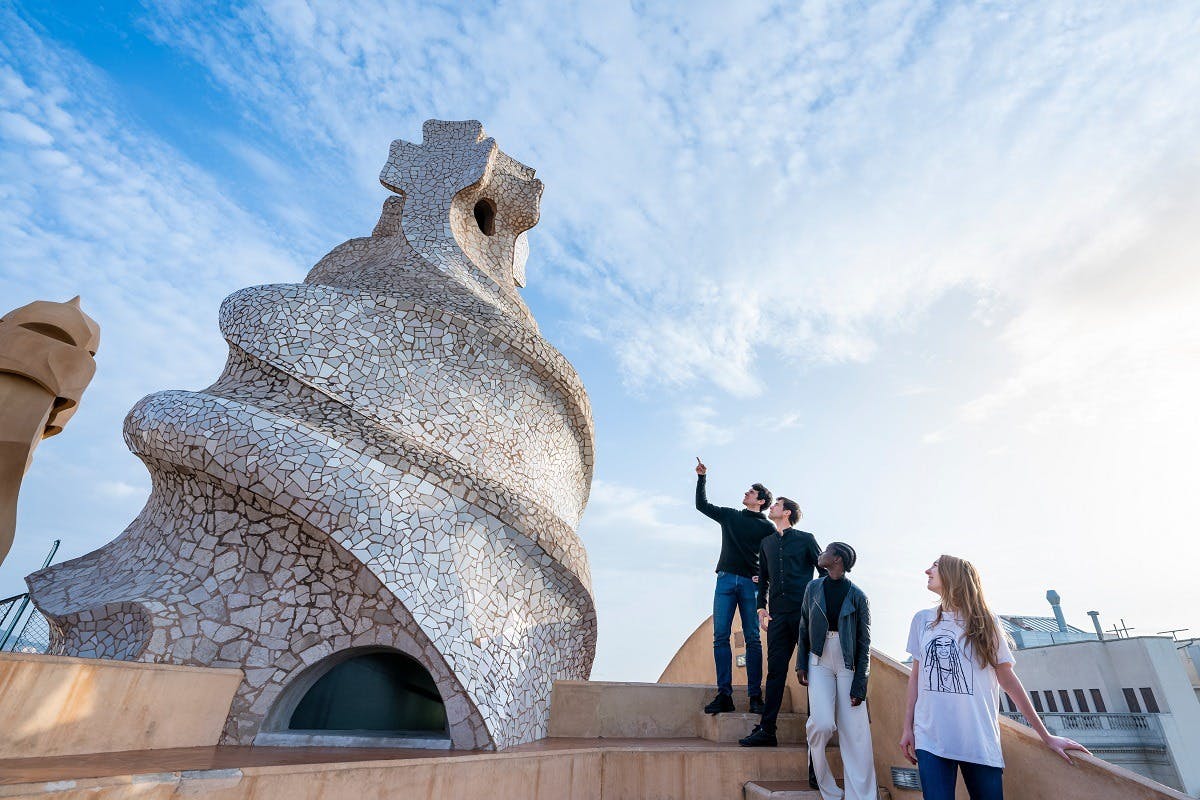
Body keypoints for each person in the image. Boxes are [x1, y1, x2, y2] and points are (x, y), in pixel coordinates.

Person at [900, 555, 1091, 800]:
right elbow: (916, 677)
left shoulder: (984, 621)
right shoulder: (922, 620)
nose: (927, 570)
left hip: (979, 740)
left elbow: (1008, 680)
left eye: (935, 566)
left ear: (953, 575)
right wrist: (908, 728)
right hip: (930, 738)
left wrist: (1046, 736)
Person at [738, 496, 823, 746]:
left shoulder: (806, 539)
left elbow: (824, 571)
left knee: (812, 672)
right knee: (775, 672)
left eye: (776, 504)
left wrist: (816, 606)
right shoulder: (766, 543)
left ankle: (815, 732)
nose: (772, 507)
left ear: (787, 513)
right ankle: (767, 730)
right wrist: (761, 608)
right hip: (777, 617)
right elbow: (762, 578)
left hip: (804, 616)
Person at [695, 457, 775, 714]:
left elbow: (773, 559)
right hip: (726, 580)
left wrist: (763, 579)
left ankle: (755, 698)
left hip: (750, 586)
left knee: (753, 638)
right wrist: (702, 478)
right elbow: (702, 505)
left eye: (751, 492)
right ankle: (724, 695)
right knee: (720, 636)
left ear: (761, 500)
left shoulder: (767, 527)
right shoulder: (730, 516)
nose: (746, 493)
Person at [796, 542, 875, 800]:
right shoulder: (813, 588)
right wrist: (800, 663)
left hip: (848, 662)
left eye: (826, 550)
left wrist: (860, 683)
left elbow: (865, 643)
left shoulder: (858, 596)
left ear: (838, 559)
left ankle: (861, 796)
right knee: (821, 724)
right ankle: (827, 787)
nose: (821, 554)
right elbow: (804, 626)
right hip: (818, 659)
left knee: (855, 733)